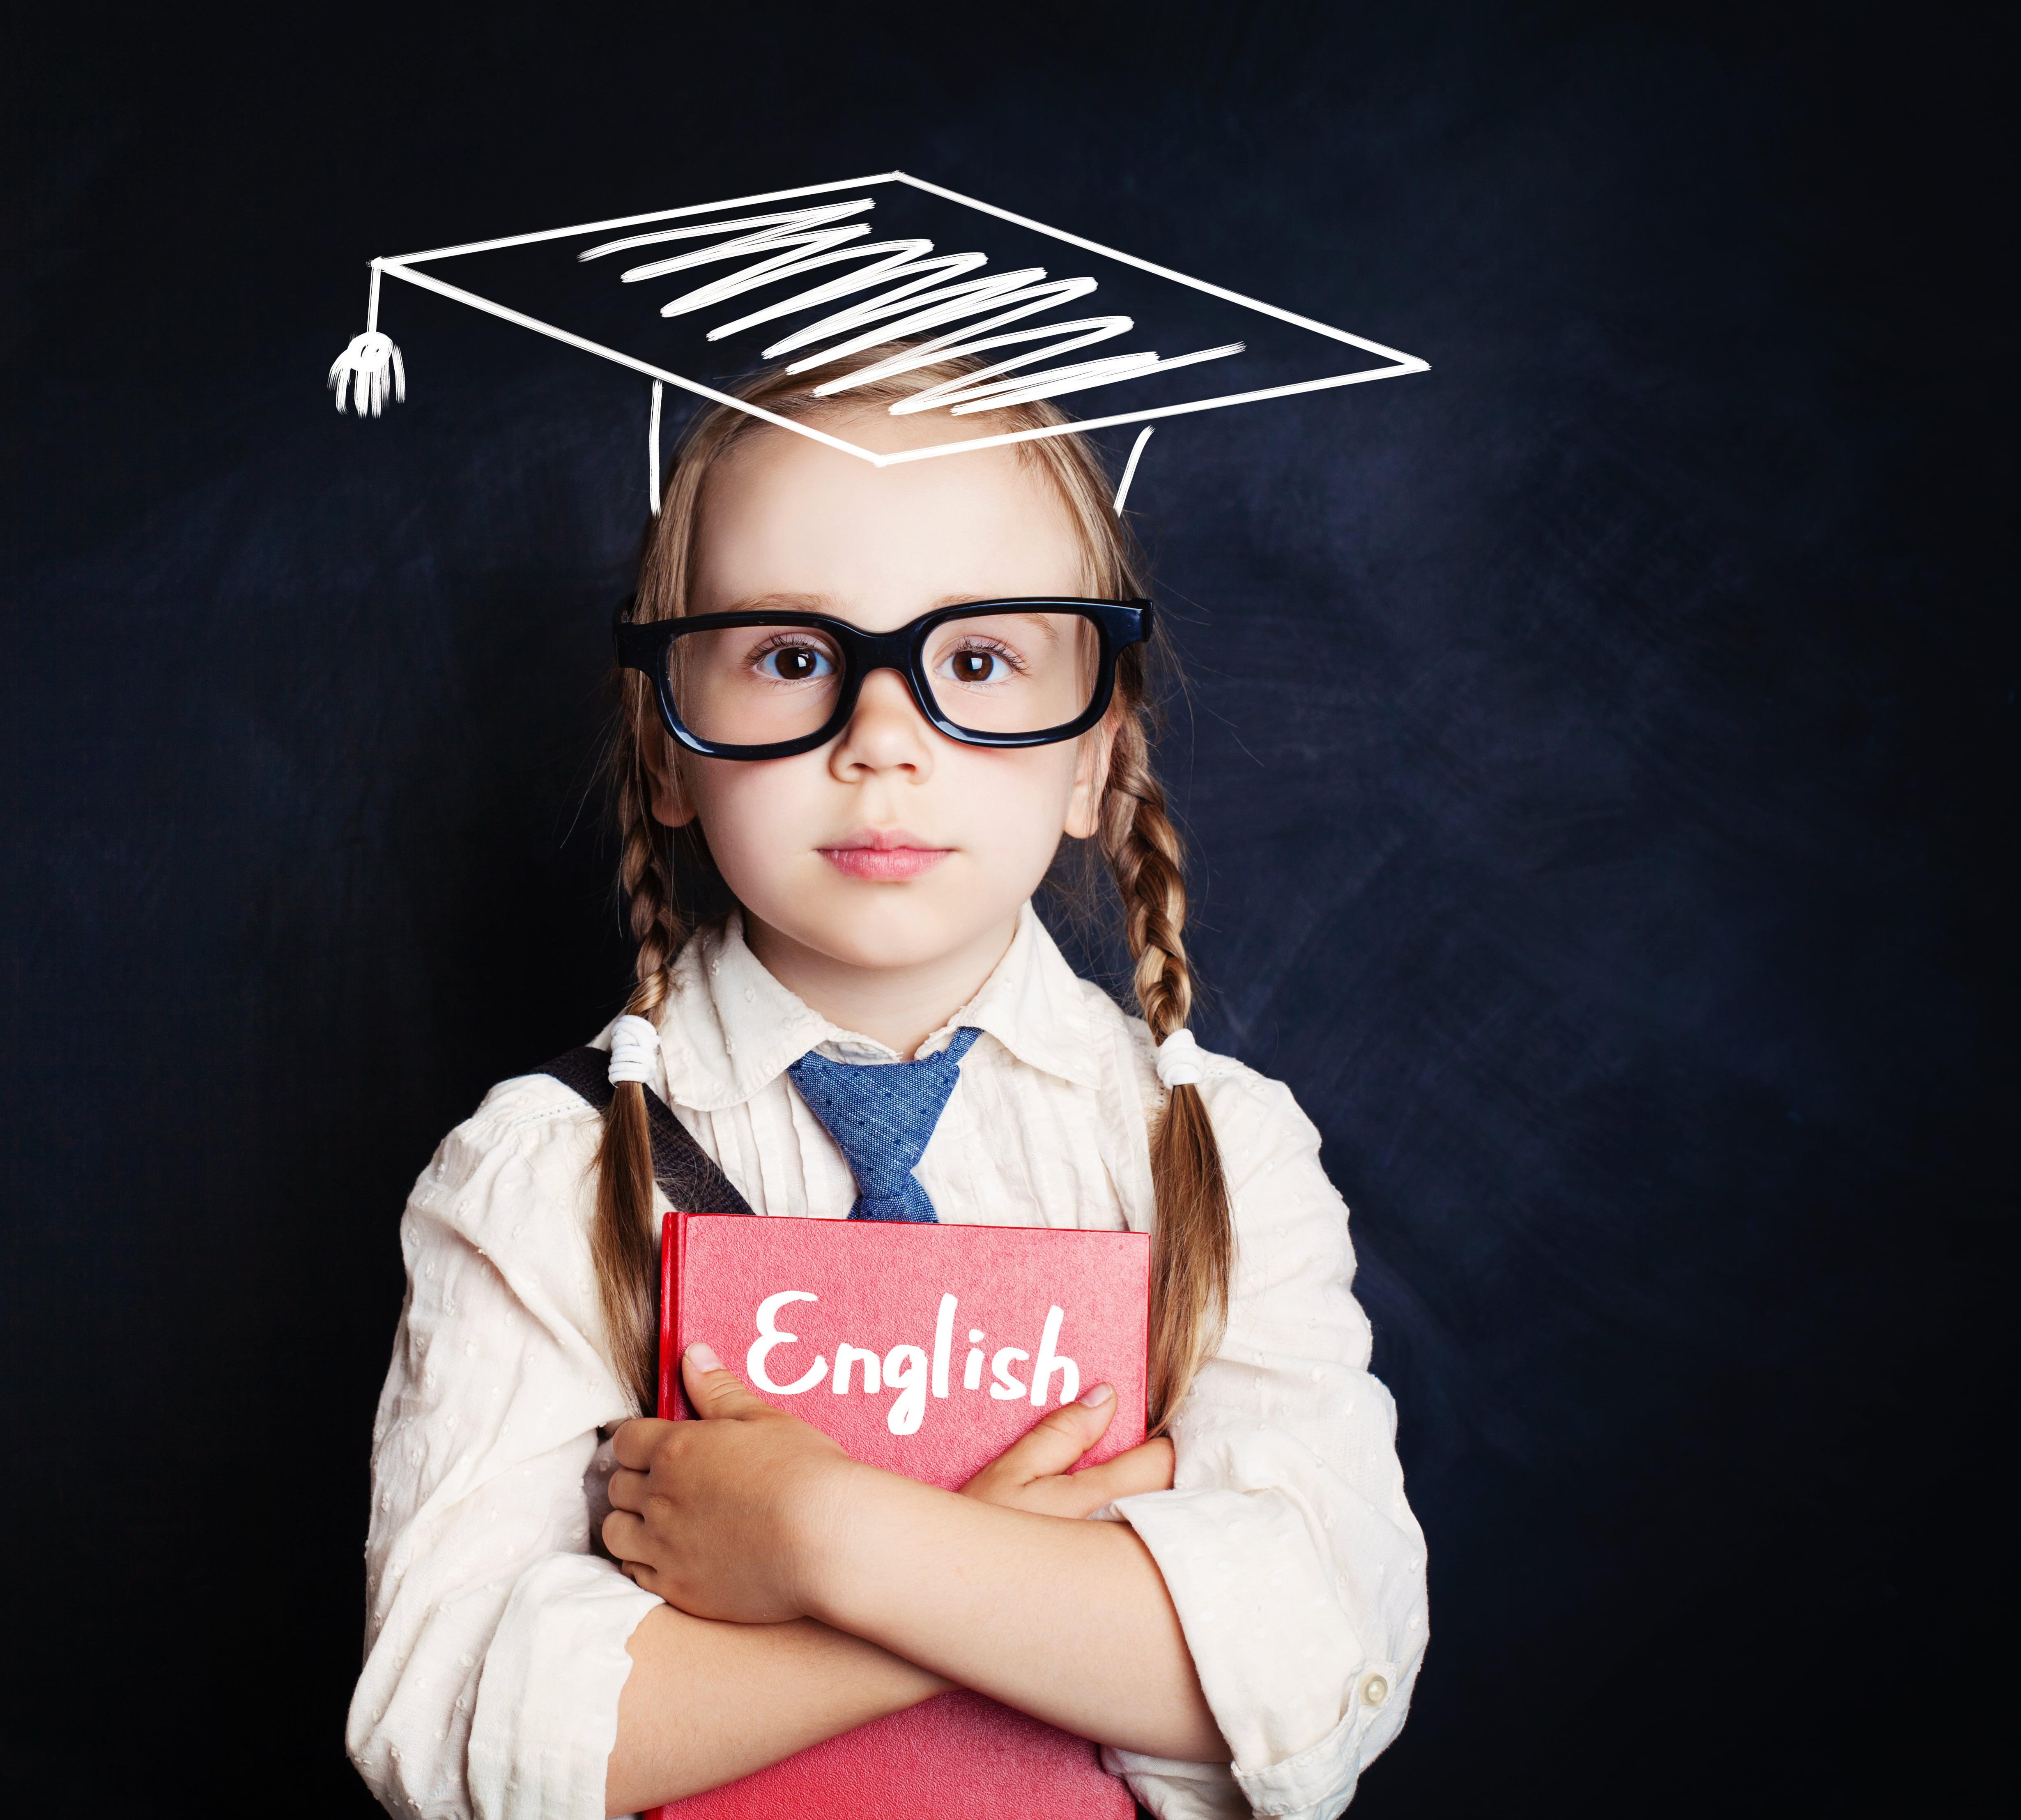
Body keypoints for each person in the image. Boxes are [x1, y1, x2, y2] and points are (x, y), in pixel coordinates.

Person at [347, 351, 1428, 1820]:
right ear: (669, 743)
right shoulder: (542, 1176)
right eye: (792, 659)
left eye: (979, 662)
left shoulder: (1217, 1158)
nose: (883, 739)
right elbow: (458, 1733)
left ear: (1094, 756)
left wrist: (824, 1539)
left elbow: (1314, 1675)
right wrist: (1008, 1580)